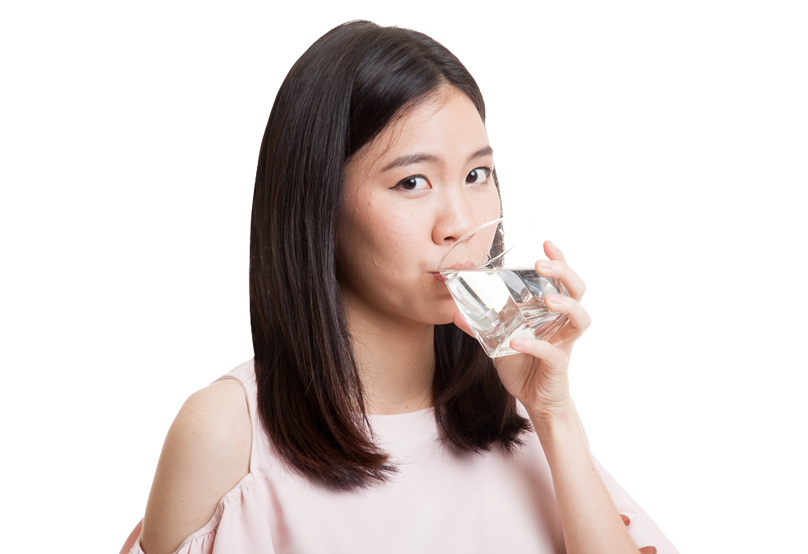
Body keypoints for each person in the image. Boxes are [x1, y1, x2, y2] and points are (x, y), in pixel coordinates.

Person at [126, 20, 679, 554]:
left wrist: (555, 416)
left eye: (476, 175)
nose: (459, 221)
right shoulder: (229, 435)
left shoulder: (520, 413)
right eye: (412, 182)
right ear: (320, 205)